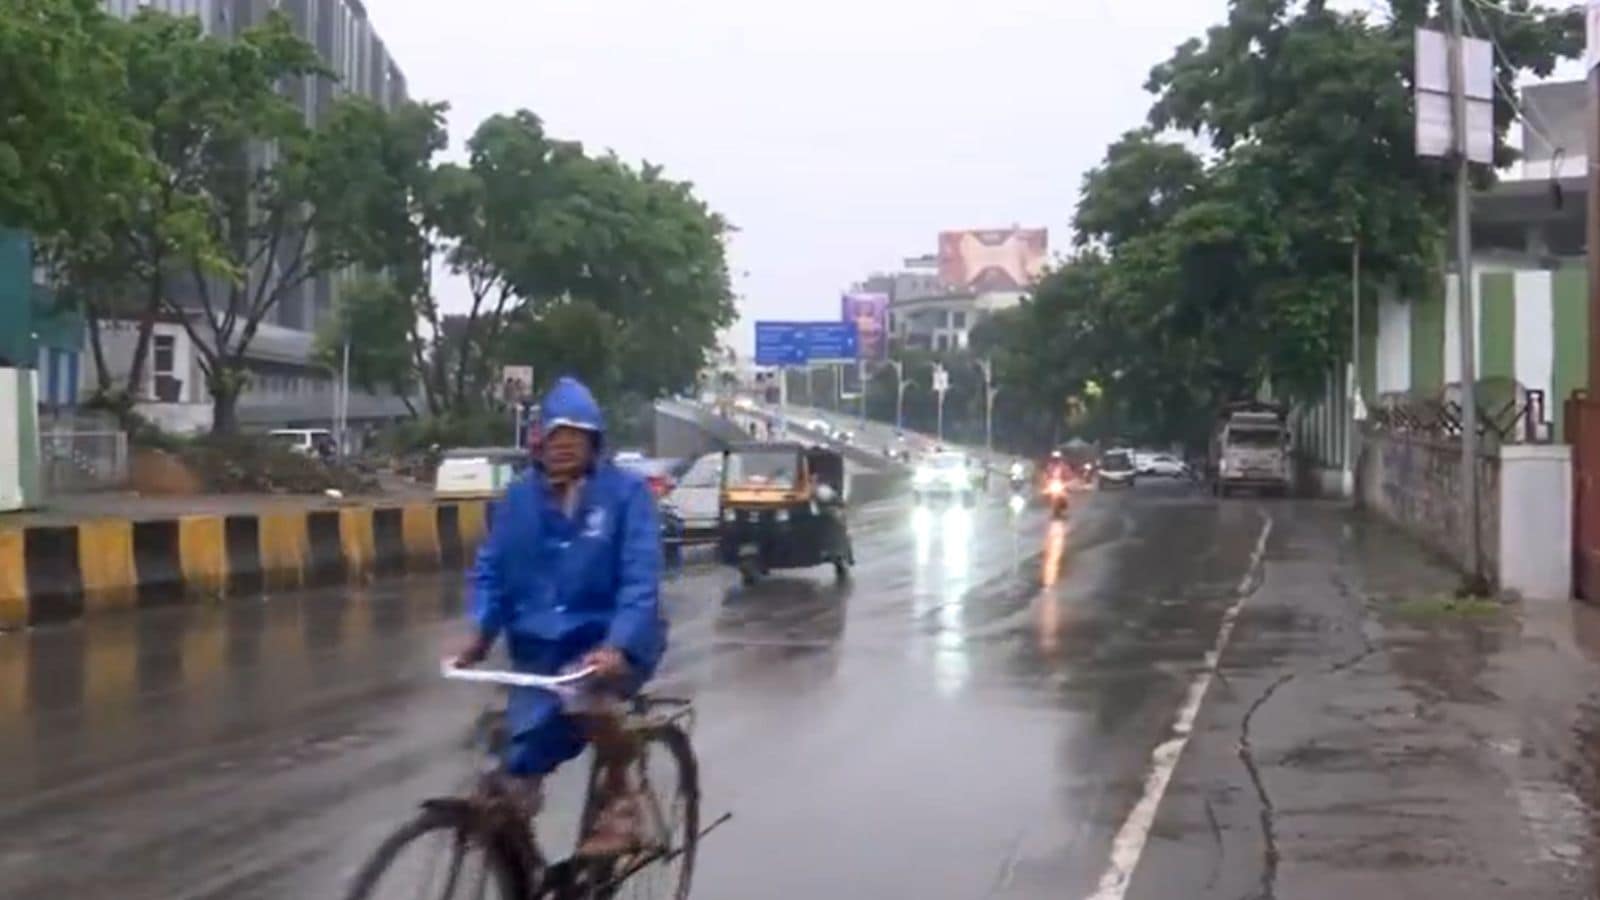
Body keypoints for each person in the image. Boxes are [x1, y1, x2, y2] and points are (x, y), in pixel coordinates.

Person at [453, 376, 667, 857]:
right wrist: (479, 634)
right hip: (539, 649)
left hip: (610, 645)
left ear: (595, 443)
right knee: (509, 749)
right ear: (539, 443)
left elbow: (641, 579)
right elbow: (492, 571)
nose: (565, 446)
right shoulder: (517, 502)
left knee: (584, 697)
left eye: (577, 436)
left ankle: (622, 799)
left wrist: (619, 643)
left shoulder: (626, 497)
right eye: (556, 436)